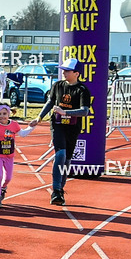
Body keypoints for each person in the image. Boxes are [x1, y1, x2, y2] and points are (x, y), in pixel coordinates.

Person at [29, 58, 91, 205]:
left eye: (67, 70)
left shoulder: (82, 90)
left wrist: (65, 112)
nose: (63, 72)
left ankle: (60, 190)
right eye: (63, 70)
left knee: (67, 160)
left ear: (76, 73)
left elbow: (84, 111)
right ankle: (56, 190)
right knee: (60, 154)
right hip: (57, 125)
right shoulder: (57, 85)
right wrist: (39, 118)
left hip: (73, 128)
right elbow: (50, 102)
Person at [0, 102, 34, 207]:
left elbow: (22, 134)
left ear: (9, 114)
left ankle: (3, 188)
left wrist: (31, 127)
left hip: (9, 156)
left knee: (8, 178)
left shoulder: (14, 124)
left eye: (4, 113)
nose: (2, 116)